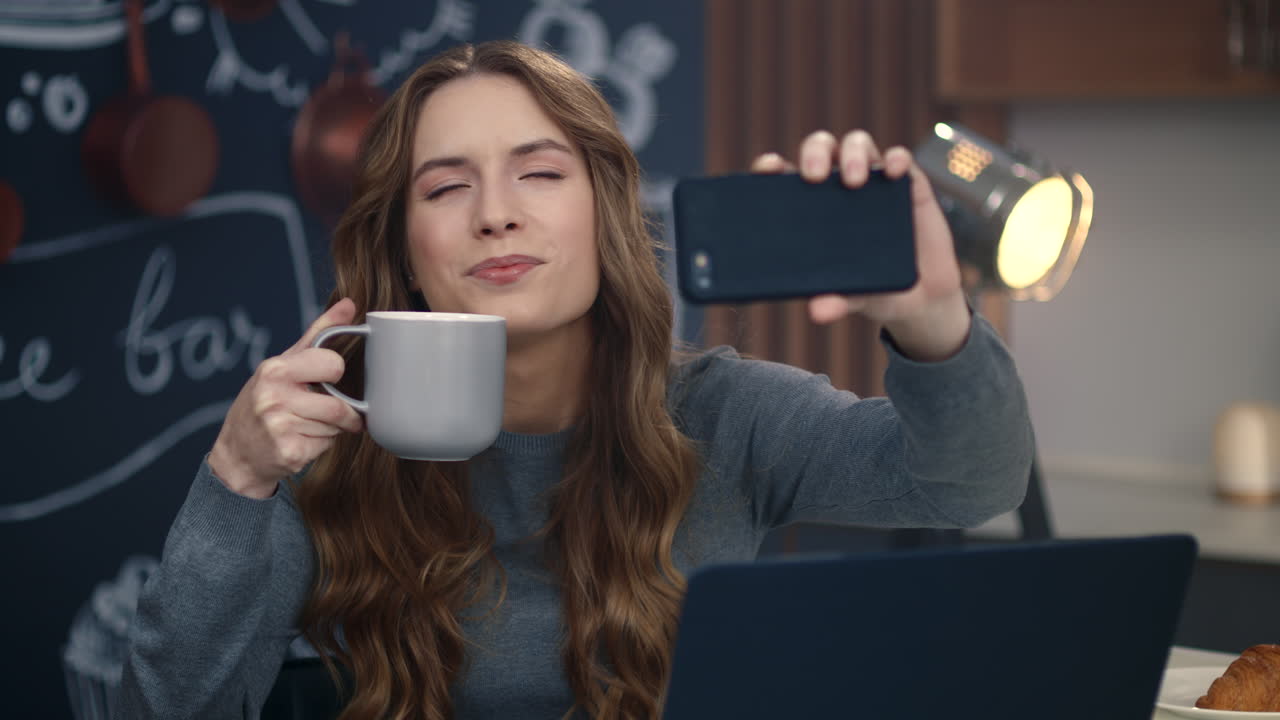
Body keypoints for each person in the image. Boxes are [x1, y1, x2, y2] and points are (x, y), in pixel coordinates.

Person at [117, 40, 1033, 720]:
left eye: (541, 173)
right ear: (405, 249)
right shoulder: (327, 446)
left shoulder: (724, 415)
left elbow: (973, 482)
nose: (496, 215)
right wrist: (234, 477)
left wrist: (929, 312)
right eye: (446, 188)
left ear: (606, 212)